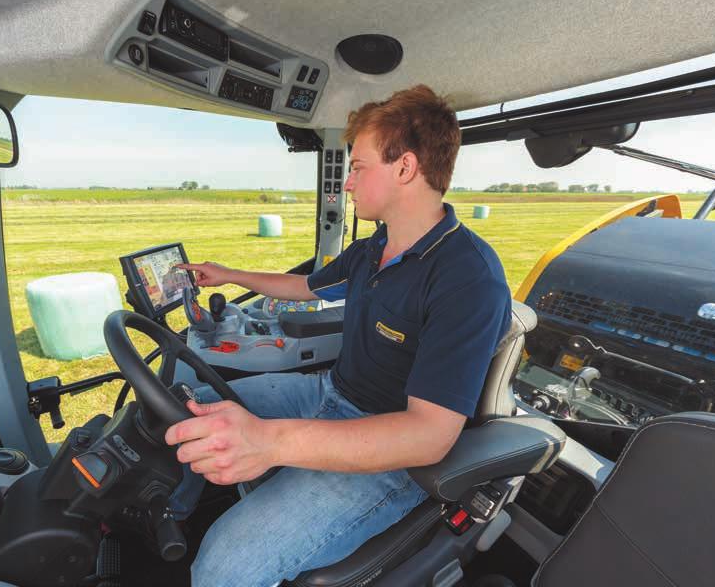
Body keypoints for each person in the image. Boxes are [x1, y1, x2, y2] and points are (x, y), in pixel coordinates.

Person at [167, 84, 513, 587]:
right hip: (329, 393)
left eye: (358, 166)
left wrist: (270, 441)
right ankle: (166, 516)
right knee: (187, 407)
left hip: (390, 452)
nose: (347, 184)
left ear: (405, 168)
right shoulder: (377, 246)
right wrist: (230, 274)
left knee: (222, 567)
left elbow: (428, 435)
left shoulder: (468, 276)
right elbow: (305, 286)